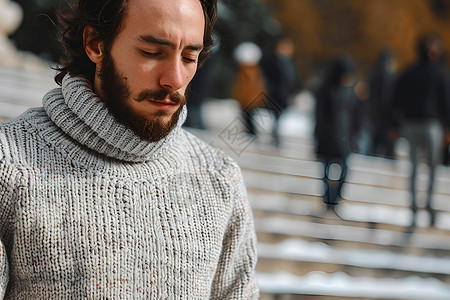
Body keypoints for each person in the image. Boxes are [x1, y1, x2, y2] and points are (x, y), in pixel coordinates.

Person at [0, 0, 259, 298]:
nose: (174, 79)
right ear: (95, 43)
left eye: (190, 57)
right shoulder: (9, 164)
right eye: (152, 52)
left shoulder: (219, 178)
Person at [393, 33, 450, 229]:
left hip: (412, 124)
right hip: (430, 125)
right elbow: (446, 102)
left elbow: (396, 99)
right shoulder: (440, 73)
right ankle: (427, 204)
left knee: (416, 167)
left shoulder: (410, 72)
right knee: (432, 167)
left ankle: (416, 205)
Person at [314, 57, 358, 210]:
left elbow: (354, 115)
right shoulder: (326, 89)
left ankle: (335, 198)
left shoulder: (349, 91)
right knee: (326, 172)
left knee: (344, 170)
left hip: (344, 139)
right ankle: (328, 199)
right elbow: (320, 115)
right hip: (328, 138)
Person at [262, 36, 301, 147]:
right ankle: (274, 136)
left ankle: (275, 136)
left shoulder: (289, 63)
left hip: (285, 94)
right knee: (275, 115)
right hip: (275, 94)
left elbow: (293, 79)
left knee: (279, 116)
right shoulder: (274, 61)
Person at [231, 42, 266, 136]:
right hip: (248, 99)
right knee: (247, 116)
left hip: (248, 99)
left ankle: (251, 133)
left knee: (248, 116)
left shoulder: (249, 71)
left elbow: (249, 86)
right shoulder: (250, 70)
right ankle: (250, 132)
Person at [367, 50, 398, 158]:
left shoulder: (373, 74)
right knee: (388, 147)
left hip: (375, 114)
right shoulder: (391, 76)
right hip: (387, 115)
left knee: (375, 144)